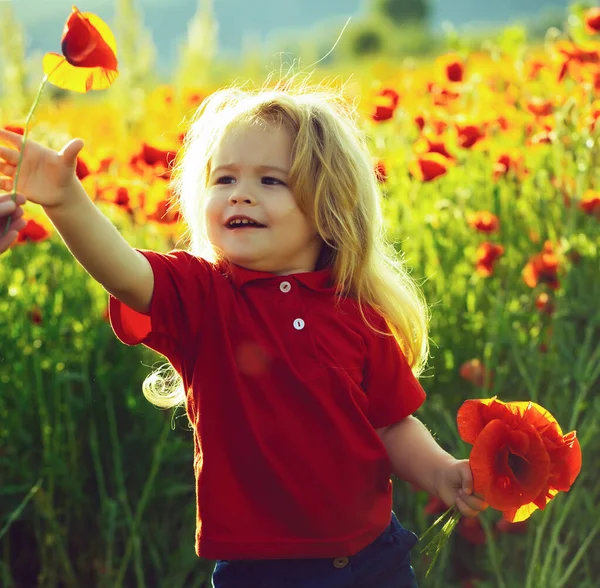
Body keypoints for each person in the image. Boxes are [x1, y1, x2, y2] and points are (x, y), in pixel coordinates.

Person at [0, 84, 487, 588]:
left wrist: (442, 473)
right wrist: (65, 199)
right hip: (258, 573)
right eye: (224, 178)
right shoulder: (204, 296)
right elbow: (125, 273)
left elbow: (390, 427)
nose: (240, 193)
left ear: (330, 207)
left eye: (270, 181)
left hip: (371, 561)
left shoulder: (357, 314)